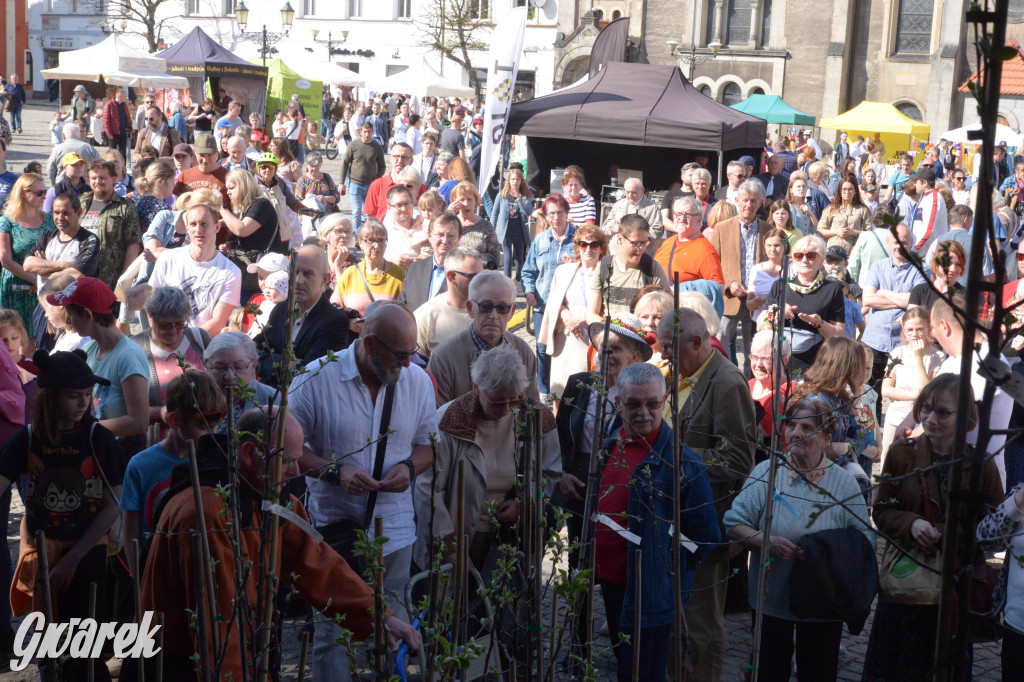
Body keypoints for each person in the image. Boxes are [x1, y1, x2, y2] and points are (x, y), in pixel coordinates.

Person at [142, 407, 420, 680]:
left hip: (247, 654)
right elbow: (222, 627)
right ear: (249, 454)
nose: (296, 471)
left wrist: (381, 618)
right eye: (287, 460)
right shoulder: (209, 512)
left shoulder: (274, 500)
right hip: (179, 664)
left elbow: (319, 563)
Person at [289, 304, 435, 682]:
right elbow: (287, 451)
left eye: (411, 354)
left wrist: (409, 469)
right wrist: (335, 472)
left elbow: (427, 445)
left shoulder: (417, 381)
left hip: (396, 531)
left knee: (395, 630)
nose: (407, 363)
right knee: (333, 635)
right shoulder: (315, 379)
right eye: (400, 355)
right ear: (370, 344)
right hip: (334, 531)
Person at [862, 375, 1003, 681]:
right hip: (905, 588)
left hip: (954, 589)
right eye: (925, 408)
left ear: (965, 416)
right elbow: (882, 510)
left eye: (942, 412)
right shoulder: (902, 454)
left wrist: (946, 532)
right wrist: (911, 523)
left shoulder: (980, 465)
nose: (930, 418)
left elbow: (994, 530)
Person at [583, 361, 716, 682]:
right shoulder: (610, 444)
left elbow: (705, 539)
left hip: (651, 590)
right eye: (633, 404)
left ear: (665, 400)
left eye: (652, 403)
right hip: (612, 583)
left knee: (643, 673)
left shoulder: (682, 463)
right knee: (625, 665)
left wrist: (661, 546)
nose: (644, 412)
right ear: (618, 403)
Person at [724, 397, 874, 682]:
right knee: (768, 672)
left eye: (807, 427)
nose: (794, 433)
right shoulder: (767, 473)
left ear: (826, 437)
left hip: (823, 602)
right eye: (790, 425)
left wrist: (825, 552)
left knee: (818, 673)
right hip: (771, 598)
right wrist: (765, 541)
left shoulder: (842, 483)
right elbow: (733, 523)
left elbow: (863, 540)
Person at [0, 348, 123, 682]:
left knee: (86, 647)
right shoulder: (26, 439)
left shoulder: (99, 437)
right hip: (43, 554)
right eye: (74, 395)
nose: (84, 403)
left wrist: (75, 558)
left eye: (88, 394)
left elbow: (114, 503)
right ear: (50, 397)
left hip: (89, 552)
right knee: (50, 647)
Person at [657, 308, 756, 682]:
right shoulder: (676, 374)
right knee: (671, 618)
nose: (663, 354)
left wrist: (676, 457)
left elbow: (738, 461)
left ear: (696, 342)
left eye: (669, 347)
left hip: (703, 523)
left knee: (700, 624)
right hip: (667, 518)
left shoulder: (727, 383)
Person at [414, 343, 560, 581]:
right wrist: (447, 543)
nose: (505, 410)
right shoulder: (448, 422)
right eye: (496, 402)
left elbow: (551, 473)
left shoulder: (536, 418)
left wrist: (523, 504)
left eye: (512, 401)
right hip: (458, 533)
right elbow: (428, 490)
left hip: (510, 535)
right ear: (476, 388)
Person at [119, 368, 223, 572]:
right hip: (156, 570)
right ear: (175, 421)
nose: (213, 435)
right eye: (204, 427)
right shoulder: (141, 465)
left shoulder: (219, 460)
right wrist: (139, 579)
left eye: (216, 426)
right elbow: (131, 531)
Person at [930, 296, 1014, 483]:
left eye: (933, 328)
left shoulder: (992, 361)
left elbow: (958, 415)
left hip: (977, 481)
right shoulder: (952, 360)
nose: (933, 336)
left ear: (944, 326)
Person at [428, 271, 539, 406]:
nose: (493, 315)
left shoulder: (523, 352)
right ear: (470, 309)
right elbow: (438, 419)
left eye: (502, 308)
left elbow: (533, 412)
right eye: (485, 307)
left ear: (512, 312)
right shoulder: (444, 358)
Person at [253, 245, 351, 384]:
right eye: (295, 272)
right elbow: (252, 352)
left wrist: (271, 360)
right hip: (269, 395)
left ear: (325, 279)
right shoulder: (281, 310)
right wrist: (282, 363)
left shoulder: (334, 321)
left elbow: (311, 374)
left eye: (308, 274)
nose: (298, 280)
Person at [143, 202, 240, 335]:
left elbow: (217, 322)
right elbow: (153, 307)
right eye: (193, 224)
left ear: (217, 227)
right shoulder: (167, 258)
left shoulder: (231, 272)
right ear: (187, 228)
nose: (198, 230)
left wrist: (184, 342)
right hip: (166, 339)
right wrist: (165, 338)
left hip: (202, 345)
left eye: (204, 224)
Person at [129, 286, 210, 444]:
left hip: (202, 441)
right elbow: (124, 406)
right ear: (150, 318)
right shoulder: (134, 347)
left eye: (179, 324)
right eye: (165, 325)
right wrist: (159, 412)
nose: (173, 330)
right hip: (156, 442)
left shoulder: (200, 338)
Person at [709, 179, 771, 376]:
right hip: (730, 299)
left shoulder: (768, 231)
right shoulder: (721, 228)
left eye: (753, 200)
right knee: (717, 349)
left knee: (755, 353)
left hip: (757, 302)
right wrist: (730, 284)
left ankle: (751, 391)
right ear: (737, 200)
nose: (748, 205)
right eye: (745, 200)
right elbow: (713, 263)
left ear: (760, 202)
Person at [540, 225, 608, 397]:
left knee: (587, 395)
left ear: (601, 248)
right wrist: (567, 316)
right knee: (560, 392)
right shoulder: (564, 270)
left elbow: (609, 308)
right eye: (583, 244)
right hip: (566, 338)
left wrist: (583, 319)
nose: (588, 249)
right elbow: (555, 301)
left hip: (592, 338)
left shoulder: (608, 274)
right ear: (577, 246)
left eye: (594, 245)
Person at [759, 234, 845, 370]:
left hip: (815, 362)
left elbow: (839, 334)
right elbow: (760, 325)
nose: (804, 260)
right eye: (799, 256)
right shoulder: (780, 286)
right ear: (794, 259)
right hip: (780, 360)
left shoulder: (832, 290)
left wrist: (818, 323)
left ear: (822, 260)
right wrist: (776, 312)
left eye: (811, 255)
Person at [524, 194, 576, 398]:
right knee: (542, 347)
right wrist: (528, 290)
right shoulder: (540, 240)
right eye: (551, 213)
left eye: (560, 212)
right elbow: (529, 271)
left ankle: (565, 391)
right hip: (543, 303)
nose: (556, 217)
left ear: (567, 213)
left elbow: (591, 266)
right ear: (546, 216)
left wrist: (575, 261)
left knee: (566, 348)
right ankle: (544, 391)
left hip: (570, 305)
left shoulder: (579, 238)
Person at [880, 306, 943, 461]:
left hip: (920, 423)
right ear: (903, 329)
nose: (915, 334)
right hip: (895, 419)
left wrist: (919, 359)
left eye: (920, 329)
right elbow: (886, 389)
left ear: (928, 328)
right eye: (910, 329)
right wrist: (916, 395)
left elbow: (929, 392)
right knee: (888, 463)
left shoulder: (937, 357)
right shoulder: (897, 354)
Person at [1, 174, 56, 336]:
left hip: (43, 286)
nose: (44, 196)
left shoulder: (50, 220)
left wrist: (43, 280)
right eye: (39, 192)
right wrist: (35, 280)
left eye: (45, 192)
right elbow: (4, 259)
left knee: (40, 339)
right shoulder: (7, 221)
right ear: (23, 193)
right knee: (11, 336)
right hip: (15, 287)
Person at [591, 214, 670, 319]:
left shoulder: (653, 269)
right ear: (620, 239)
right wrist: (611, 329)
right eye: (635, 243)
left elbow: (667, 312)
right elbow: (591, 313)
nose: (641, 248)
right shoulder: (604, 267)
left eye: (644, 243)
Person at [220, 168, 285, 296]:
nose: (228, 192)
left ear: (243, 186)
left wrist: (220, 207)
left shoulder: (261, 204)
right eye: (227, 189)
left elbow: (242, 230)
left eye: (231, 188)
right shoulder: (240, 208)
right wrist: (230, 245)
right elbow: (245, 237)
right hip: (248, 271)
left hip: (268, 272)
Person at [413, 246, 482, 357]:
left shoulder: (490, 311)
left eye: (482, 276)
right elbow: (416, 366)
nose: (480, 282)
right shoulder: (425, 315)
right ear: (452, 277)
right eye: (473, 277)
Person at [23, 192, 99, 291]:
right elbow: (28, 265)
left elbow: (76, 276)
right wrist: (64, 265)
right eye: (56, 213)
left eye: (66, 213)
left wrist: (43, 270)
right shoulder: (46, 236)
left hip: (72, 305)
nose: (60, 218)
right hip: (44, 303)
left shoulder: (89, 240)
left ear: (79, 213)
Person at [335, 219, 405, 318]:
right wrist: (349, 322)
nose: (376, 246)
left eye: (381, 240)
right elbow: (335, 308)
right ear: (361, 243)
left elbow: (406, 312)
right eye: (371, 240)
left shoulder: (399, 274)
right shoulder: (349, 274)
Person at [654, 196, 725, 286]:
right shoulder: (667, 243)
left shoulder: (705, 251)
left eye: (688, 215)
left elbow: (718, 287)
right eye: (678, 214)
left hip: (683, 299)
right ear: (673, 217)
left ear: (699, 219)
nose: (682, 218)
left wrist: (683, 289)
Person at [398, 211, 460, 312]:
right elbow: (401, 308)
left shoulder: (465, 274)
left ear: (459, 238)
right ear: (429, 236)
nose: (444, 241)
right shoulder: (414, 269)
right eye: (440, 234)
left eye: (451, 236)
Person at [746, 329, 792, 441]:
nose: (758, 364)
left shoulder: (785, 394)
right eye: (755, 357)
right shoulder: (748, 385)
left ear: (783, 362)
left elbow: (759, 432)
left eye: (766, 359)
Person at [490, 167, 534, 281]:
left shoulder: (525, 196)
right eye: (513, 179)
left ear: (521, 181)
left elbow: (528, 211)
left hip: (519, 229)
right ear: (509, 180)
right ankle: (507, 282)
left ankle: (518, 280)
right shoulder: (502, 195)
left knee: (519, 259)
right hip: (505, 230)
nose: (515, 182)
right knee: (508, 258)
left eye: (518, 179)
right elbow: (494, 214)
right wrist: (491, 230)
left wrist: (519, 199)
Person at [340, 122, 385, 232]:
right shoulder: (353, 145)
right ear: (360, 132)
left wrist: (376, 180)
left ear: (372, 132)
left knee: (369, 213)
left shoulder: (377, 147)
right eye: (365, 132)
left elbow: (382, 166)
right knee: (356, 212)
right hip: (355, 184)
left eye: (369, 132)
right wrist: (342, 183)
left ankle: (367, 233)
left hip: (371, 185)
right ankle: (357, 235)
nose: (367, 134)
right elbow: (345, 163)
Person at [448, 181, 502, 268]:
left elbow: (495, 256)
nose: (466, 204)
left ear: (476, 201)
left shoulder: (486, 226)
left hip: (479, 275)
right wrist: (448, 214)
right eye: (462, 200)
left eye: (469, 199)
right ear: (455, 202)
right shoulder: (450, 223)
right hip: (455, 273)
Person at [171, 133, 231, 209]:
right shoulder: (184, 176)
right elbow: (176, 206)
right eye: (202, 155)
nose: (205, 160)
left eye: (209, 155)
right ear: (195, 153)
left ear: (217, 153)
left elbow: (235, 209)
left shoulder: (228, 176)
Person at [601, 177, 662, 250]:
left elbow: (657, 232)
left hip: (640, 253)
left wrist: (637, 233)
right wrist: (613, 228)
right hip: (617, 251)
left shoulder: (652, 208)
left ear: (642, 190)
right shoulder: (618, 205)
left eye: (633, 192)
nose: (630, 196)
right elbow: (604, 228)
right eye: (627, 192)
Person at [817, 174, 872, 254]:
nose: (847, 192)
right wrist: (836, 232)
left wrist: (854, 232)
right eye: (844, 189)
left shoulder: (862, 209)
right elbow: (820, 230)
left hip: (855, 251)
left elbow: (870, 234)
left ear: (855, 191)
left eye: (850, 189)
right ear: (840, 191)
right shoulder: (831, 209)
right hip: (834, 251)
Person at [745, 227, 788, 322]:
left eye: (777, 245)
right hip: (760, 322)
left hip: (784, 323)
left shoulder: (791, 269)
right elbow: (749, 304)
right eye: (769, 245)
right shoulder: (756, 269)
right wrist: (755, 302)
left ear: (785, 247)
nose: (772, 249)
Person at [906, 168, 949, 255]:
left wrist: (913, 249)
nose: (915, 184)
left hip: (928, 254)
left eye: (916, 181)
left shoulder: (934, 198)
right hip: (922, 252)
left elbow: (928, 230)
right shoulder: (926, 197)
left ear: (925, 183)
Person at [132, 158, 176, 233]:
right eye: (172, 181)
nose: (174, 184)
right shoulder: (162, 209)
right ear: (160, 182)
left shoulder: (139, 203)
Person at [102, 89, 131, 160]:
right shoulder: (109, 105)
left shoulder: (124, 105)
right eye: (125, 96)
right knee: (112, 153)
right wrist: (109, 134)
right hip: (113, 133)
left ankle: (123, 169)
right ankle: (111, 168)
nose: (126, 98)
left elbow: (127, 117)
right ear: (120, 96)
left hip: (123, 132)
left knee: (123, 153)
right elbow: (106, 121)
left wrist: (129, 128)